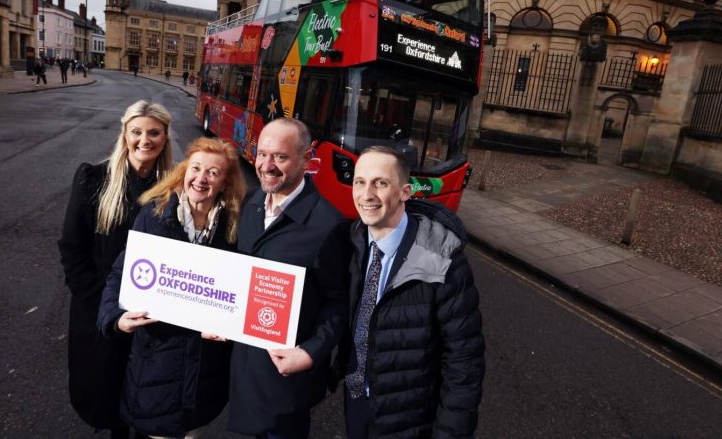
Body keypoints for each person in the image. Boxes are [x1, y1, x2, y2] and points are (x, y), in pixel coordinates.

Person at [210, 117, 349, 439]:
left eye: (280, 157)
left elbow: (339, 303)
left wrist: (311, 352)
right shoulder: (251, 203)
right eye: (262, 154)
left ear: (306, 160)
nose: (266, 166)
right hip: (241, 366)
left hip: (283, 377)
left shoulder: (328, 225)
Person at [98, 137, 246, 438]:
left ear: (225, 183)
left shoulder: (234, 229)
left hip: (204, 373)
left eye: (213, 173)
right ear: (184, 171)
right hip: (157, 365)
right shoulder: (153, 217)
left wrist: (232, 324)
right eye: (196, 168)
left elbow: (239, 293)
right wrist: (114, 316)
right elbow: (120, 273)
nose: (201, 179)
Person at [341, 146, 485, 438]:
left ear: (405, 192)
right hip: (358, 404)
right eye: (360, 182)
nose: (367, 194)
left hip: (410, 420)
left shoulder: (443, 260)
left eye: (381, 183)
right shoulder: (351, 241)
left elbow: (464, 364)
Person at [58, 100, 173, 438]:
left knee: (145, 392)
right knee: (106, 395)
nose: (144, 140)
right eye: (136, 132)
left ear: (165, 137)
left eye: (153, 133)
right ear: (124, 133)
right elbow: (72, 247)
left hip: (152, 310)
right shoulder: (92, 178)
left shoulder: (174, 188)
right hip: (100, 309)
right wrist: (101, 304)